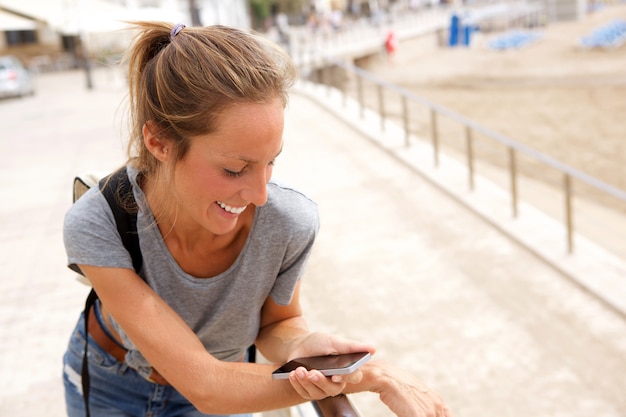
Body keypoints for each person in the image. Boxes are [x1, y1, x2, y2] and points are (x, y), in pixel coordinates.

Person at [62, 21, 452, 417]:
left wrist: (300, 346)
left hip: (233, 380)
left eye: (271, 162)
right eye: (235, 169)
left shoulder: (288, 223)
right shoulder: (98, 221)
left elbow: (275, 325)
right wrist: (375, 375)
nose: (260, 195)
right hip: (110, 380)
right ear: (159, 141)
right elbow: (205, 385)